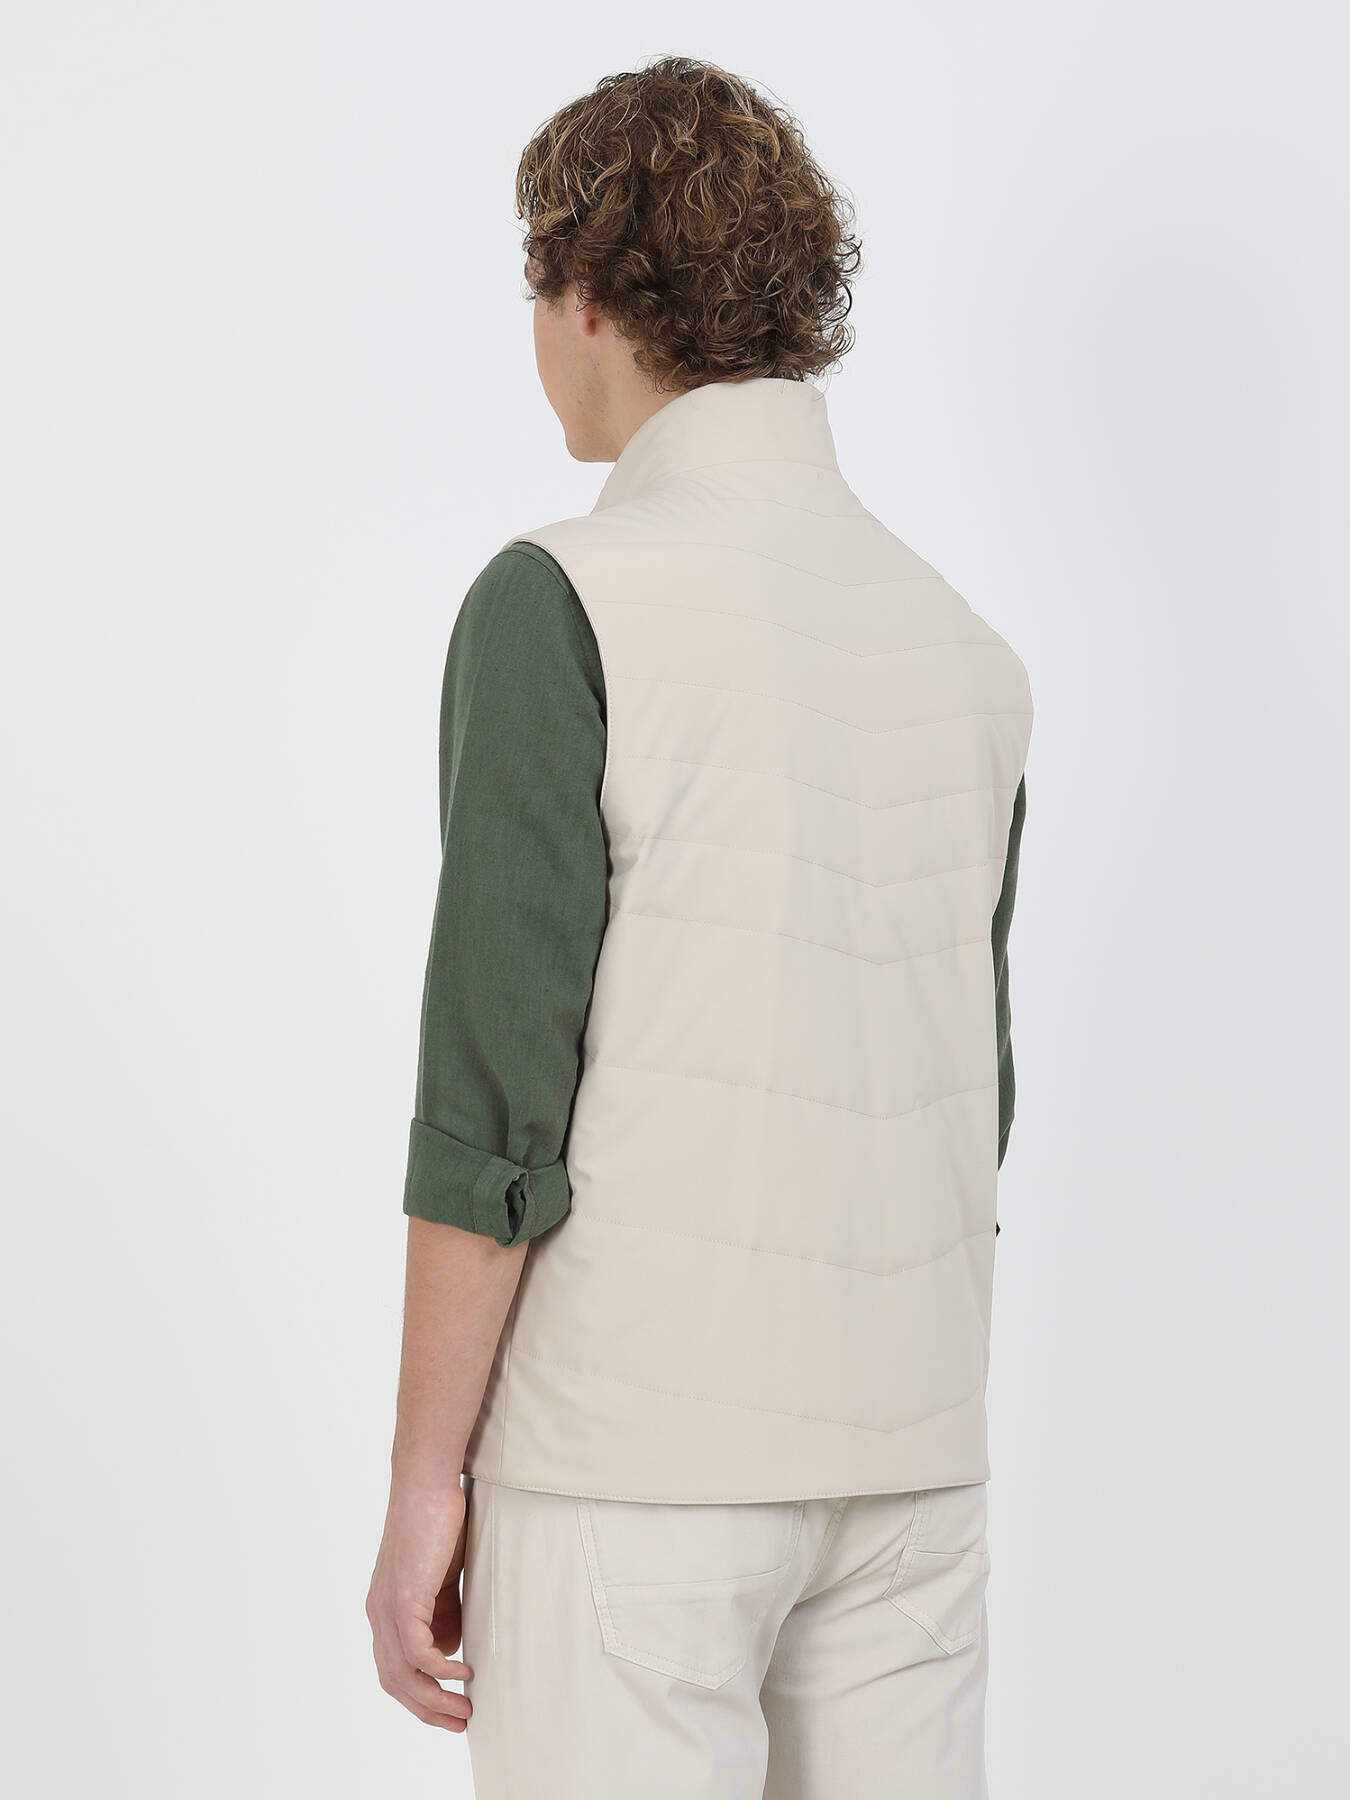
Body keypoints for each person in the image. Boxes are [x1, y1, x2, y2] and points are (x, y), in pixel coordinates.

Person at [365, 55, 1032, 1800]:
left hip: (635, 1473)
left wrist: (425, 1477)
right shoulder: (961, 646)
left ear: (584, 292)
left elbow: (494, 1107)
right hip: (910, 1460)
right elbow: (980, 1097)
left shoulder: (562, 602)